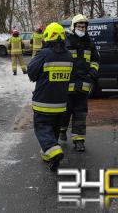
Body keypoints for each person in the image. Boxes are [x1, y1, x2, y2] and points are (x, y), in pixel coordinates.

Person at [27, 22, 73, 171]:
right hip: (61, 104)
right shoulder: (68, 56)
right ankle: (49, 156)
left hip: (43, 103)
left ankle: (55, 150)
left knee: (42, 129)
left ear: (47, 36)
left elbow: (32, 73)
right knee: (53, 131)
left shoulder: (44, 54)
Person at [59, 14, 100, 152]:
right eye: (79, 26)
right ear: (73, 26)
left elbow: (95, 60)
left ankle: (79, 140)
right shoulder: (65, 40)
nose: (81, 28)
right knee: (65, 112)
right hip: (66, 85)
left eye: (84, 26)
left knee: (81, 113)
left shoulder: (89, 42)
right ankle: (61, 131)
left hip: (83, 84)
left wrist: (92, 73)